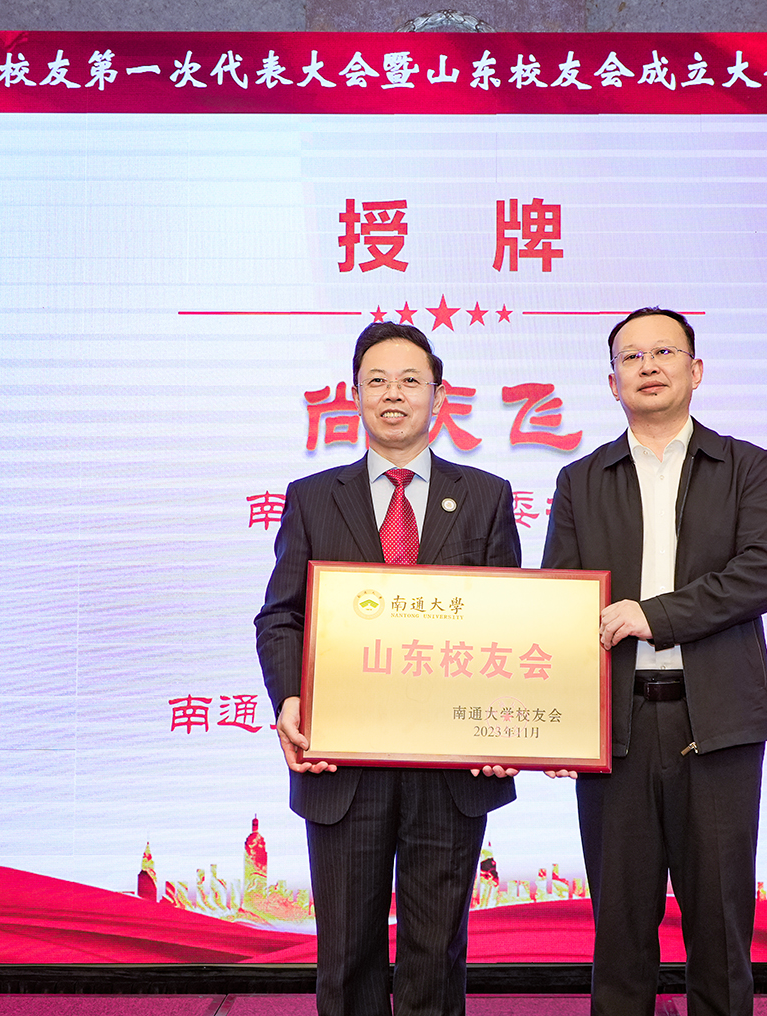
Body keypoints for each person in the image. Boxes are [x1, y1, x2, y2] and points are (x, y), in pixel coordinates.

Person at [256, 322, 521, 1016]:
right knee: (347, 956)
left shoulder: (487, 496)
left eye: (409, 380)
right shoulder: (313, 496)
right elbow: (281, 616)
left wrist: (507, 729)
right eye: (377, 381)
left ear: (439, 395)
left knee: (436, 954)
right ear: (355, 395)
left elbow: (512, 623)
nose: (393, 394)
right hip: (343, 762)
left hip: (452, 766)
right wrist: (290, 699)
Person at [541, 308, 767, 1016]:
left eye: (664, 352)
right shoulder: (581, 479)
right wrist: (560, 723)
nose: (648, 366)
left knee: (720, 927)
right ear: (612, 383)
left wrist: (656, 615)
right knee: (621, 933)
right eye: (631, 357)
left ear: (696, 370)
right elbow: (560, 603)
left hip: (716, 724)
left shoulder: (744, 466)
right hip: (616, 731)